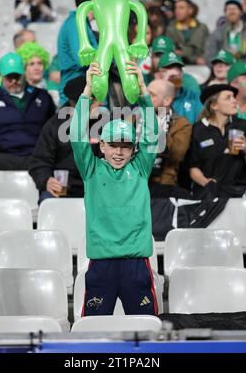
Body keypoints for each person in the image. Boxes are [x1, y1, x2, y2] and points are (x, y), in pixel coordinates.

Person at [70, 61, 158, 316]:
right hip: (101, 264)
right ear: (102, 146)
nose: (119, 152)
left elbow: (152, 134)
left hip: (136, 265)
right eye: (113, 145)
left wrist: (143, 92)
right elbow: (76, 134)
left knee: (146, 329)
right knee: (94, 333)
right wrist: (87, 92)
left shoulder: (141, 168)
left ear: (133, 150)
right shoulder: (91, 170)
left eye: (126, 146)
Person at [29, 76, 98, 202]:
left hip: (95, 190)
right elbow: (39, 163)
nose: (99, 103)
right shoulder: (54, 126)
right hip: (63, 190)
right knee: (48, 200)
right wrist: (46, 180)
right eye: (93, 101)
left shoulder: (104, 125)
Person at [187, 84, 246, 198]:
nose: (234, 101)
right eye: (228, 98)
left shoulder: (243, 126)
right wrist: (206, 182)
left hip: (238, 190)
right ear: (214, 105)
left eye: (233, 97)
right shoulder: (198, 129)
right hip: (208, 191)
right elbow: (193, 168)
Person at [57, 0, 100, 105]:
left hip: (85, 95)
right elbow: (83, 59)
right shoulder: (76, 23)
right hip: (74, 98)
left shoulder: (84, 25)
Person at [146, 79, 192, 198]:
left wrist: (159, 130)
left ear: (167, 100)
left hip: (163, 184)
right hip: (135, 182)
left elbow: (177, 155)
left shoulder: (181, 124)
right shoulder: (135, 117)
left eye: (151, 95)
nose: (145, 97)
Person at [205, 0, 246, 64]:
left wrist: (243, 69)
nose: (232, 11)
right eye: (228, 9)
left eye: (235, 8)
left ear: (241, 12)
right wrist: (220, 69)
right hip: (224, 72)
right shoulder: (217, 33)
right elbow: (209, 56)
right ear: (224, 13)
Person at [154, 51, 203, 124]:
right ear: (159, 74)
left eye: (178, 68)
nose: (175, 72)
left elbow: (202, 123)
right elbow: (154, 129)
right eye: (167, 69)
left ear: (182, 73)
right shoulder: (153, 97)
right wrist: (166, 82)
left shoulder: (192, 96)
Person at [166, 0, 209, 65]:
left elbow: (206, 49)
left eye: (181, 8)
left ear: (190, 10)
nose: (177, 11)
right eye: (176, 8)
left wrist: (183, 52)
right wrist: (192, 56)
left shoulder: (202, 28)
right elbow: (171, 51)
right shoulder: (170, 29)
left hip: (199, 67)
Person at [16, 41, 59, 106]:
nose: (37, 68)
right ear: (23, 68)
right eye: (31, 64)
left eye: (40, 63)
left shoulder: (52, 88)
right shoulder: (17, 89)